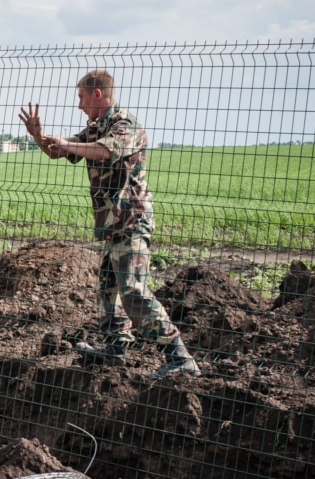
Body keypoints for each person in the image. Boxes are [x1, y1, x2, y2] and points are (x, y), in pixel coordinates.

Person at [19, 69, 200, 378]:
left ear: (97, 95)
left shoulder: (125, 126)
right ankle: (116, 349)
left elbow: (107, 150)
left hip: (131, 220)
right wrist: (39, 136)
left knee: (132, 289)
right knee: (108, 288)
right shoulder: (96, 128)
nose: (79, 105)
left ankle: (179, 356)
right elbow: (57, 152)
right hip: (112, 225)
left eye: (81, 97)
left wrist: (65, 142)